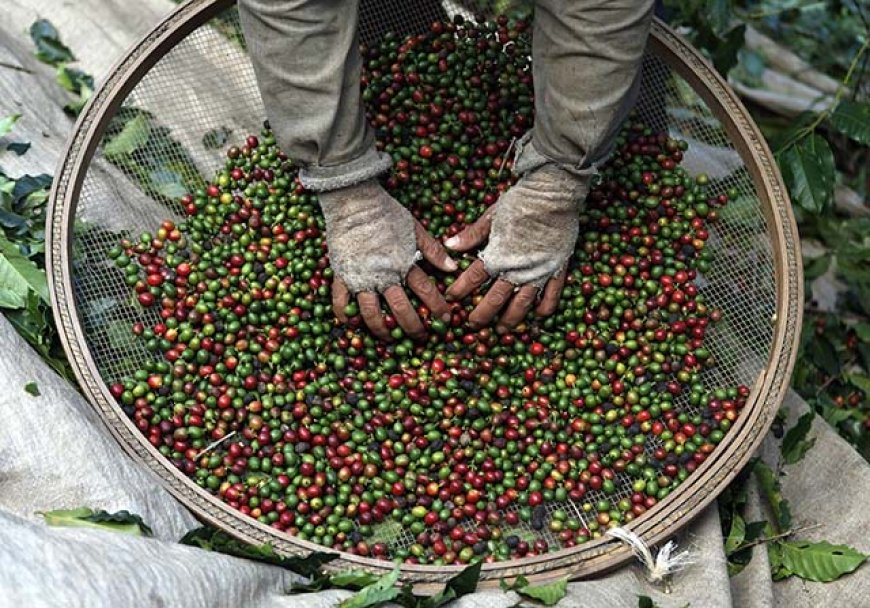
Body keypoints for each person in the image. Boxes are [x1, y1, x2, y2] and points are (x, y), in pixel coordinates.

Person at [238, 0, 654, 341]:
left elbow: (605, 11)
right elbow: (289, 8)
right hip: (381, 84)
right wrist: (343, 182)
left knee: (615, 105)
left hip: (550, 66)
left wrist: (562, 176)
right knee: (383, 40)